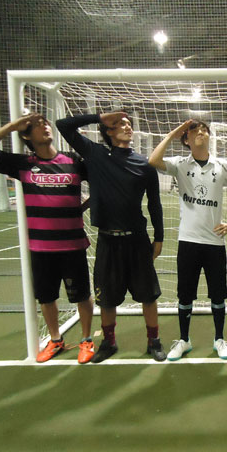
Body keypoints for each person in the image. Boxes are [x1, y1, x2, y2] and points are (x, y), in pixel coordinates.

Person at [0, 113, 95, 363]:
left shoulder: (73, 160)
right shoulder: (23, 164)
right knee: (47, 297)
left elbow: (102, 183)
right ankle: (56, 340)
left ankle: (86, 340)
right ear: (27, 137)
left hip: (73, 244)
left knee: (82, 295)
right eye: (38, 126)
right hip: (41, 247)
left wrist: (81, 208)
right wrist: (11, 126)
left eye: (46, 123)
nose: (45, 127)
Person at [56, 111, 166, 363]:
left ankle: (154, 341)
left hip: (137, 241)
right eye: (120, 124)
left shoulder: (145, 164)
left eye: (128, 124)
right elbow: (63, 125)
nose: (127, 127)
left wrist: (159, 238)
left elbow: (155, 204)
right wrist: (100, 117)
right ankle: (108, 342)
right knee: (107, 298)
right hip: (107, 240)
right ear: (108, 130)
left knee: (148, 295)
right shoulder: (95, 154)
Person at [148, 120, 227, 360]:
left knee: (218, 296)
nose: (201, 132)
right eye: (194, 130)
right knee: (185, 295)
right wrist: (172, 133)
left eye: (204, 130)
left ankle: (219, 339)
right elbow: (153, 161)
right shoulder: (180, 164)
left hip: (215, 242)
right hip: (188, 241)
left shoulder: (223, 166)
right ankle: (184, 340)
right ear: (186, 139)